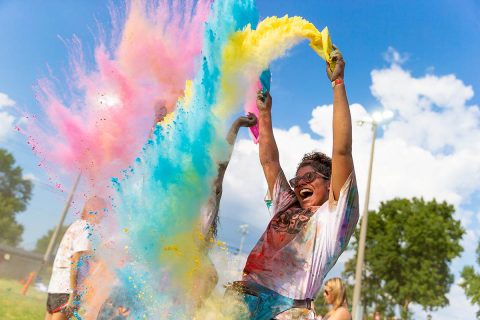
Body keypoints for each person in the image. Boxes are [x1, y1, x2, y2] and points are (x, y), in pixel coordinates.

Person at [228, 47, 359, 320]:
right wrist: (265, 114)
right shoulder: (287, 204)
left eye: (308, 177)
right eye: (297, 179)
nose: (300, 184)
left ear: (328, 183)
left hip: (288, 311)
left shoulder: (333, 219)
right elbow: (269, 163)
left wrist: (338, 83)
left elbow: (342, 151)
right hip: (243, 303)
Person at [96, 113, 258, 319]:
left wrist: (236, 125)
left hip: (174, 291)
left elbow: (222, 165)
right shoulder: (167, 194)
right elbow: (150, 164)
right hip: (140, 282)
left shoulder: (207, 198)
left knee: (207, 276)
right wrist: (157, 127)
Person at [45, 196, 106, 320]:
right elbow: (75, 260)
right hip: (67, 289)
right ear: (95, 210)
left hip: (55, 286)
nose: (104, 216)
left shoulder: (76, 225)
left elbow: (84, 254)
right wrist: (73, 294)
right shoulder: (87, 229)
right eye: (103, 211)